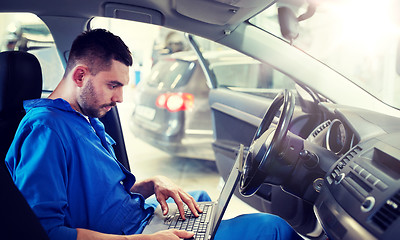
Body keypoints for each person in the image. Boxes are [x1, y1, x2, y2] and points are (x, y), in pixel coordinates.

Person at [5, 29, 302, 240]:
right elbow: (44, 231)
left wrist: (150, 184)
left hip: (137, 218)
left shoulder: (82, 119)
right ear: (80, 76)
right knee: (273, 228)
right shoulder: (46, 130)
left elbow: (96, 195)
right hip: (130, 234)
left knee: (197, 199)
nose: (119, 98)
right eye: (113, 85)